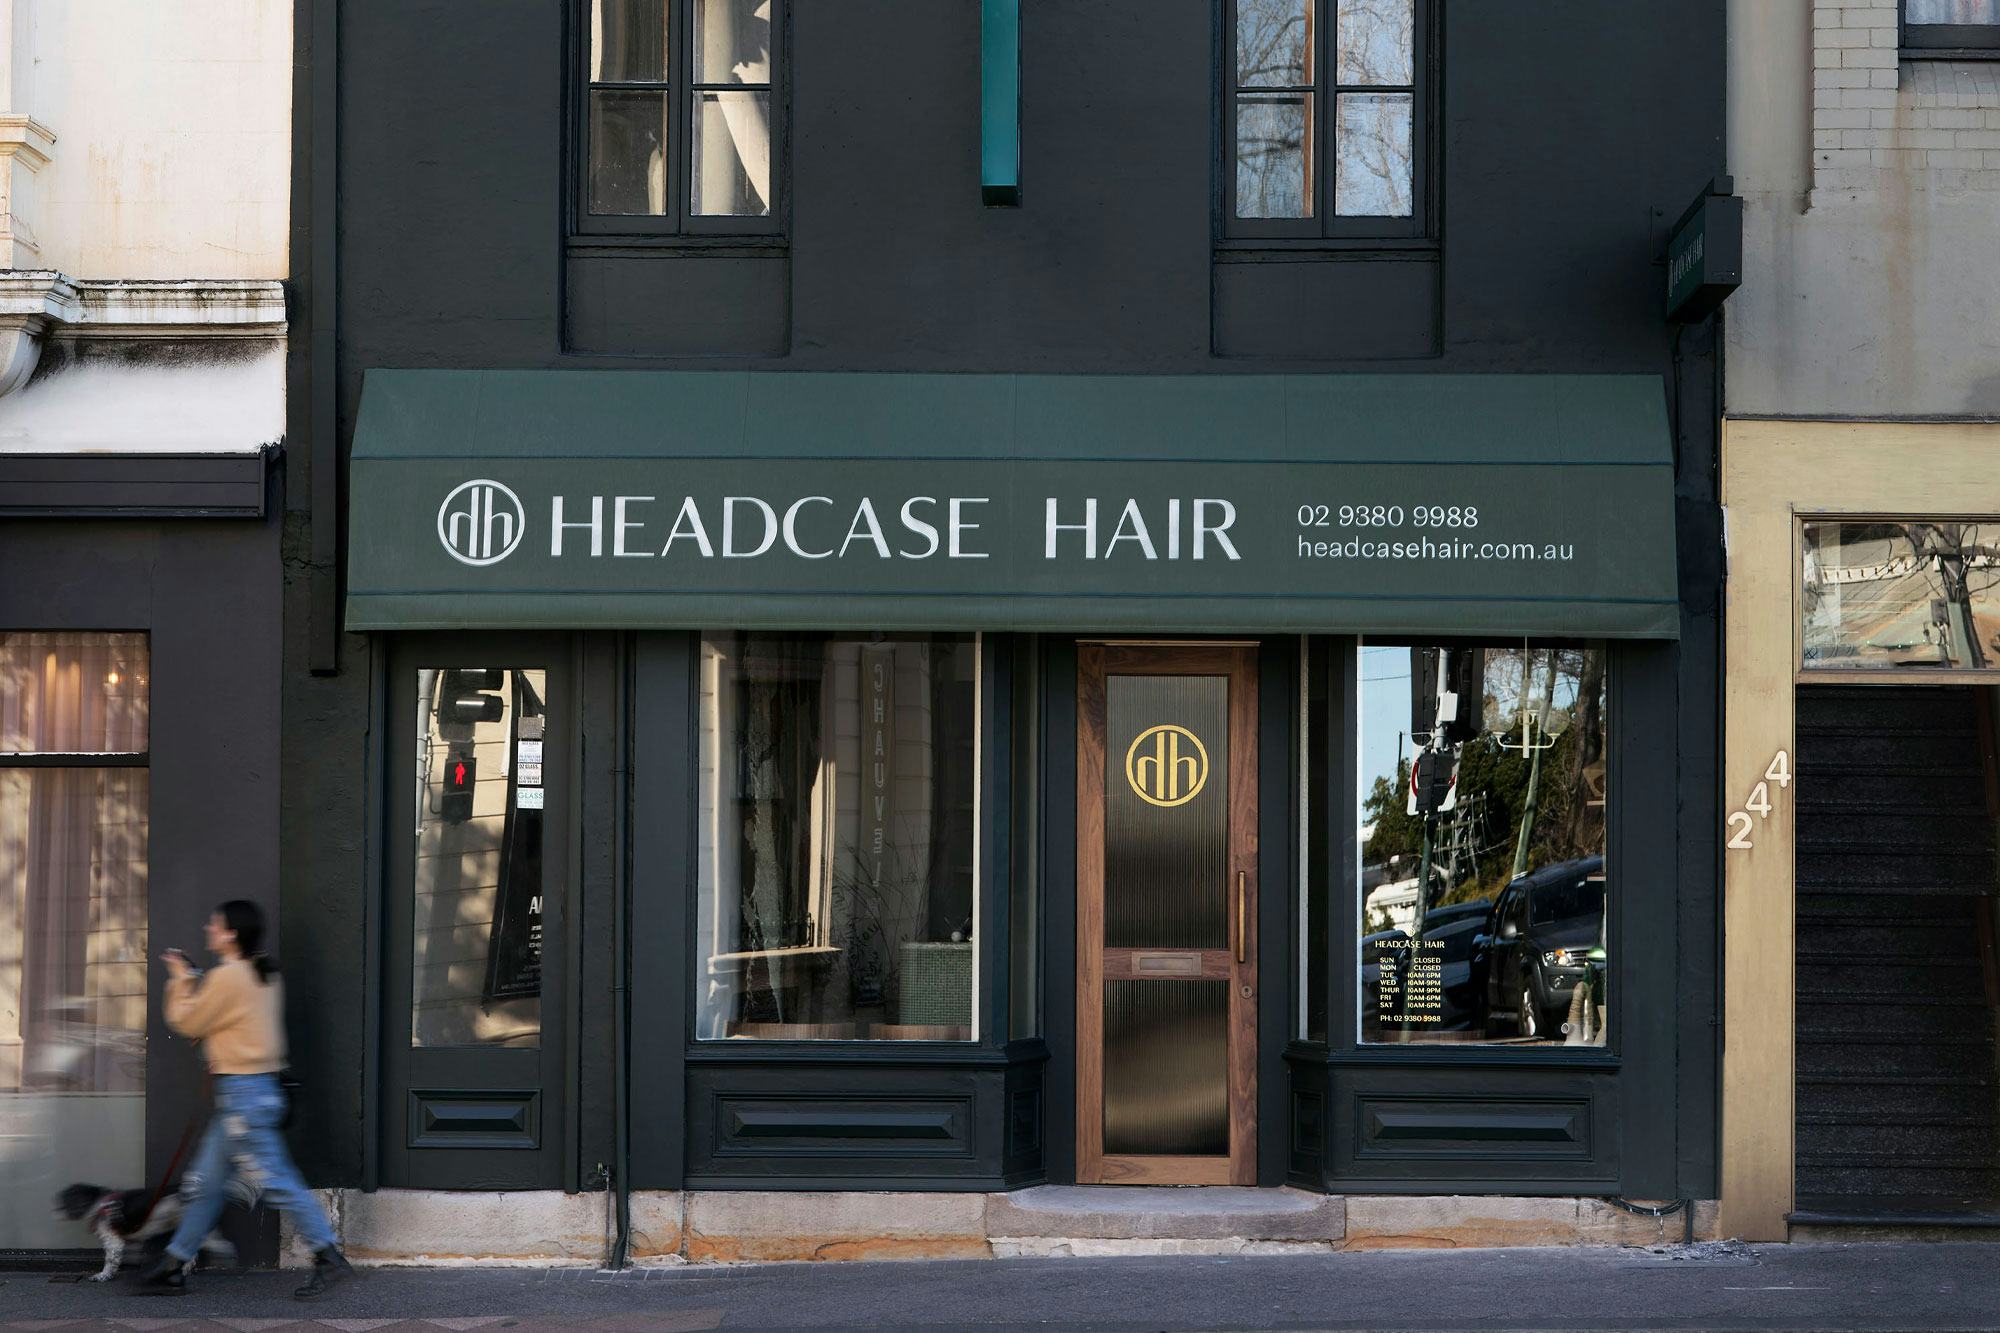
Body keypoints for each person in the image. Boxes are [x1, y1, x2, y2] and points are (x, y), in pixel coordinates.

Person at [140, 900, 354, 1300]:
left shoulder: (230, 977)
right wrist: (200, 980)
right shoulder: (263, 974)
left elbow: (189, 1019)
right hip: (255, 1092)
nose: (209, 929)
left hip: (243, 1097)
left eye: (216, 925)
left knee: (279, 1180)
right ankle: (172, 1264)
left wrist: (181, 977)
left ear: (232, 934)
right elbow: (232, 1016)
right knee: (208, 1182)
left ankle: (327, 1255)